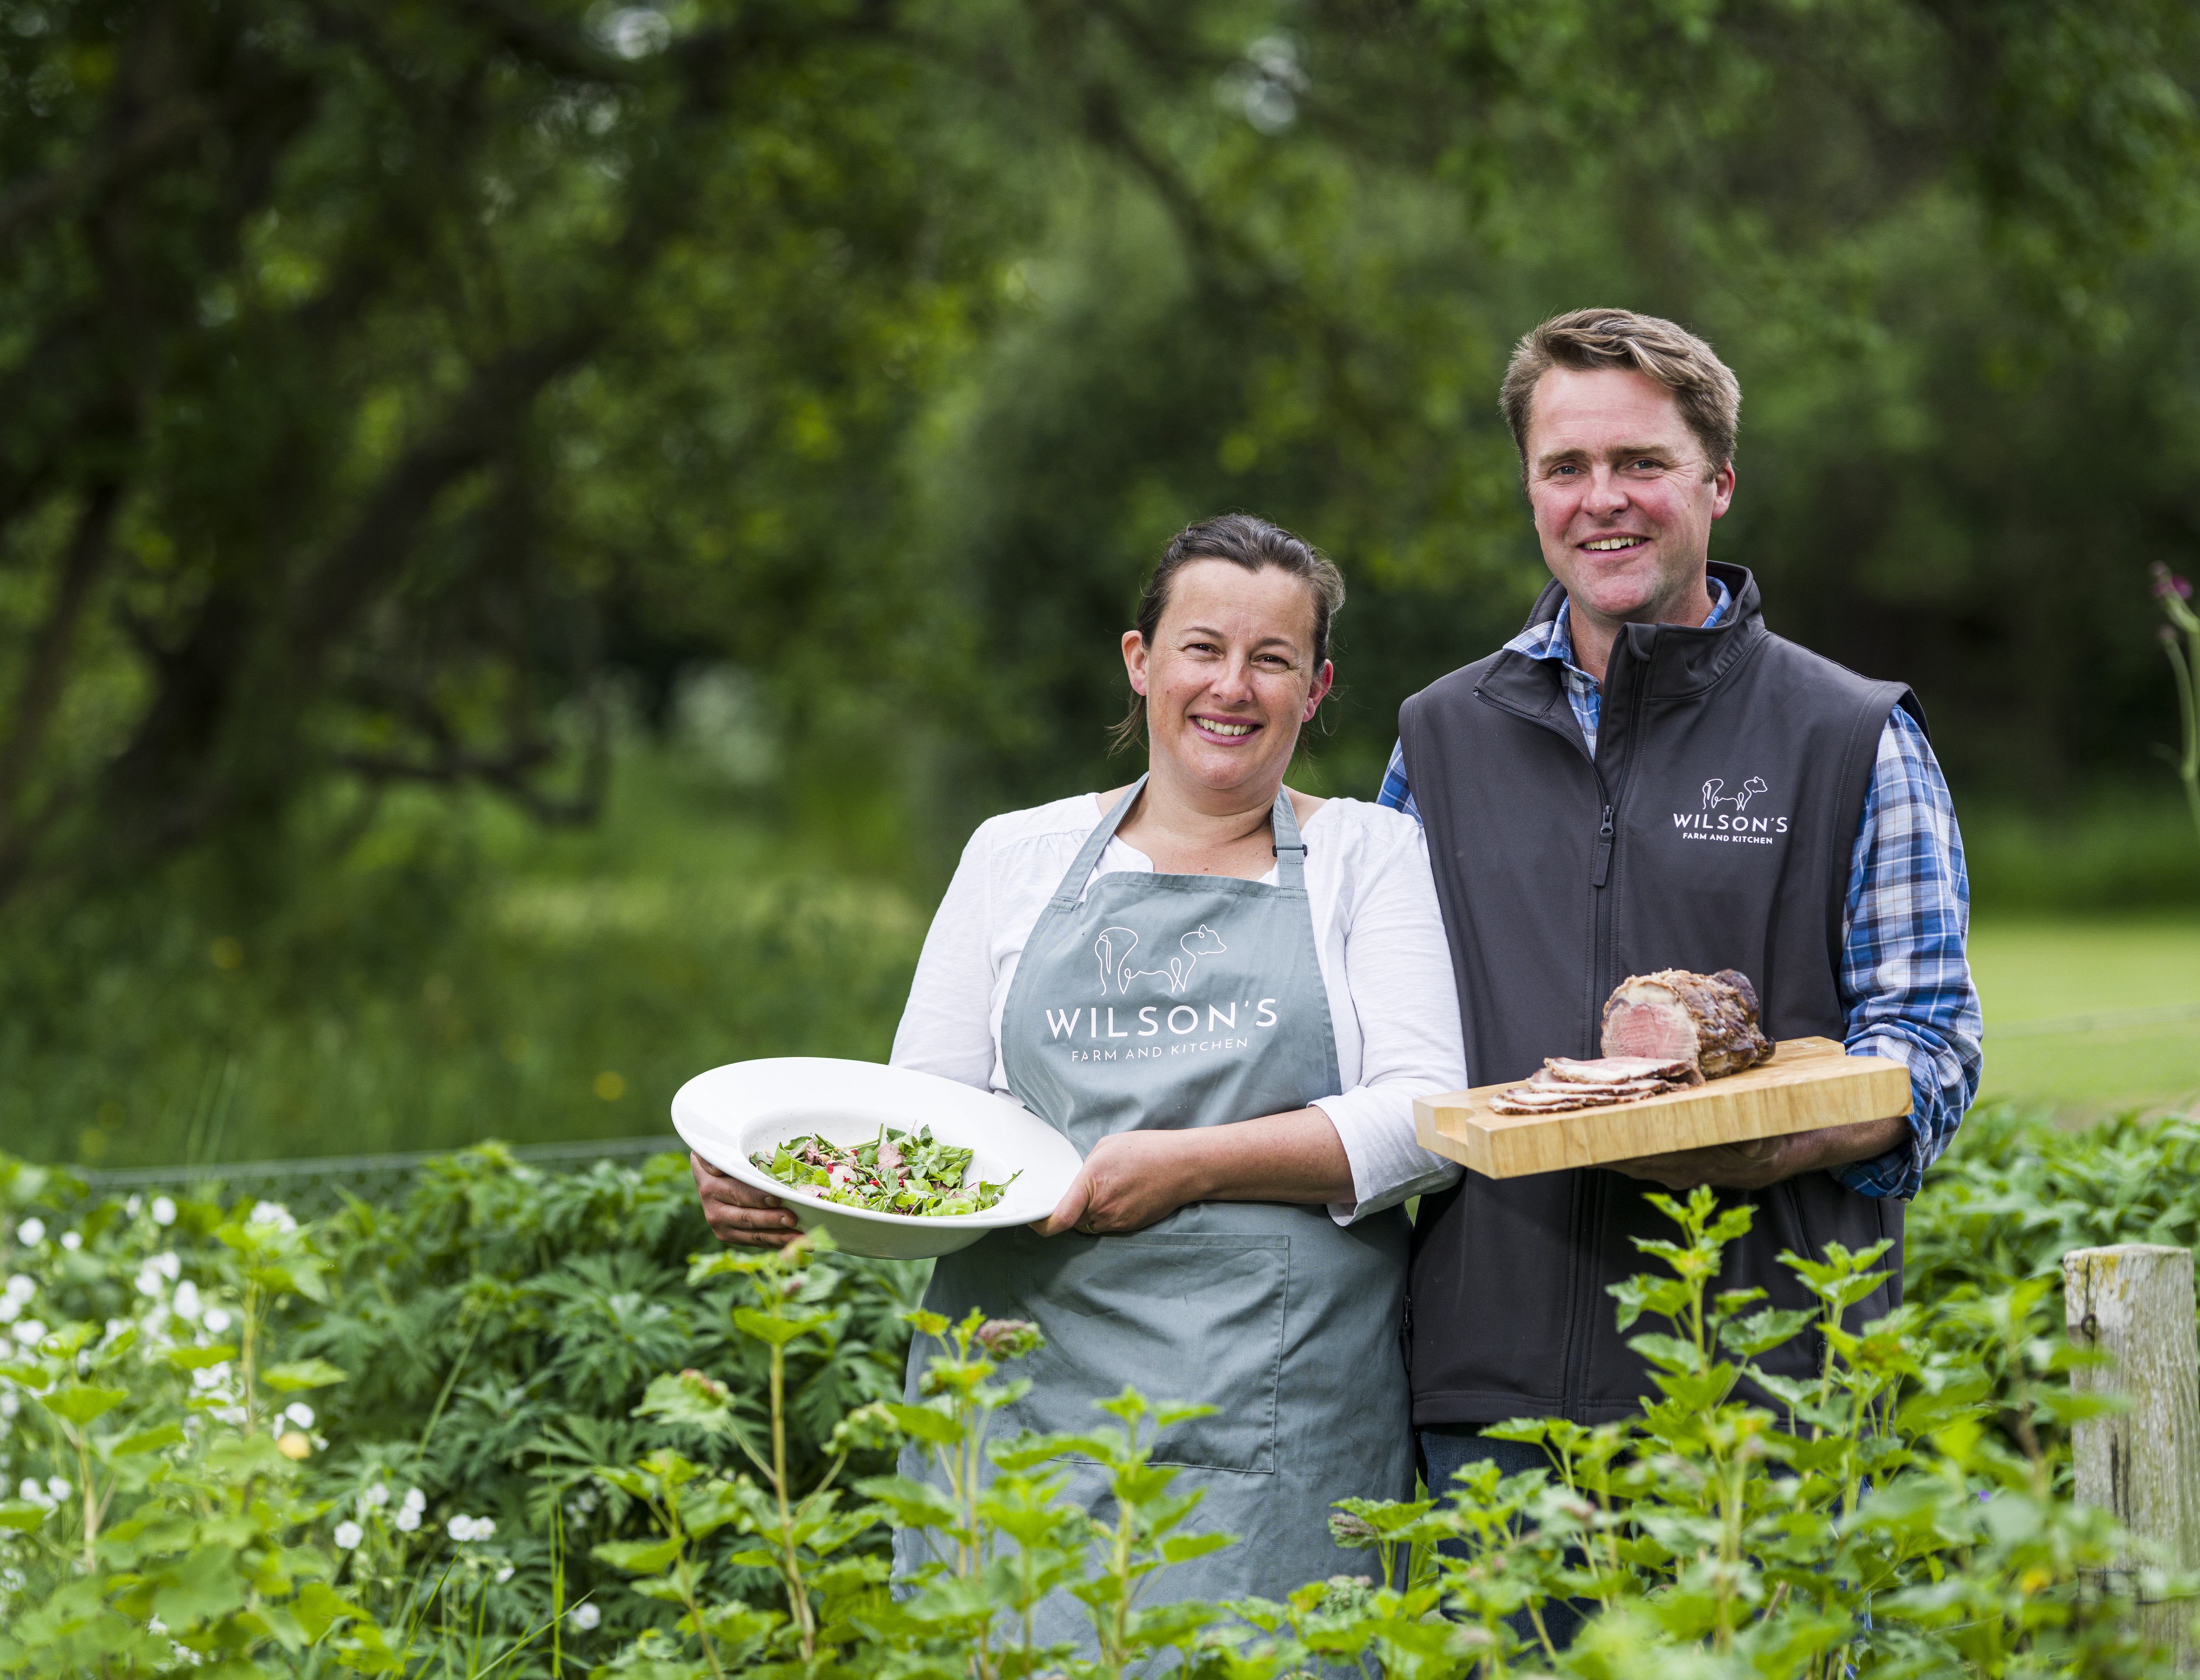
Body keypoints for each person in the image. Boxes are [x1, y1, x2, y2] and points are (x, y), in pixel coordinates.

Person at [696, 513, 1468, 1615]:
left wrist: (1190, 1165)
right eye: (1202, 647)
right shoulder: (1013, 854)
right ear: (1140, 659)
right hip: (1022, 1397)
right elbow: (926, 1124)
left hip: (1273, 1407)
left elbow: (1424, 1119)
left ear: (1316, 686)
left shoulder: (1370, 856)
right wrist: (780, 1179)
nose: (1232, 686)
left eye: (1272, 659)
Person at [1383, 308, 1983, 1518]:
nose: (1600, 498)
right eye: (1566, 466)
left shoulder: (1851, 734)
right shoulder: (1436, 740)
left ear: (1715, 481)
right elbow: (1376, 1041)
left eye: (1640, 463)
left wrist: (1781, 1139)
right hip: (1489, 1398)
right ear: (1530, 487)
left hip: (1766, 1390)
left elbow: (1929, 1047)